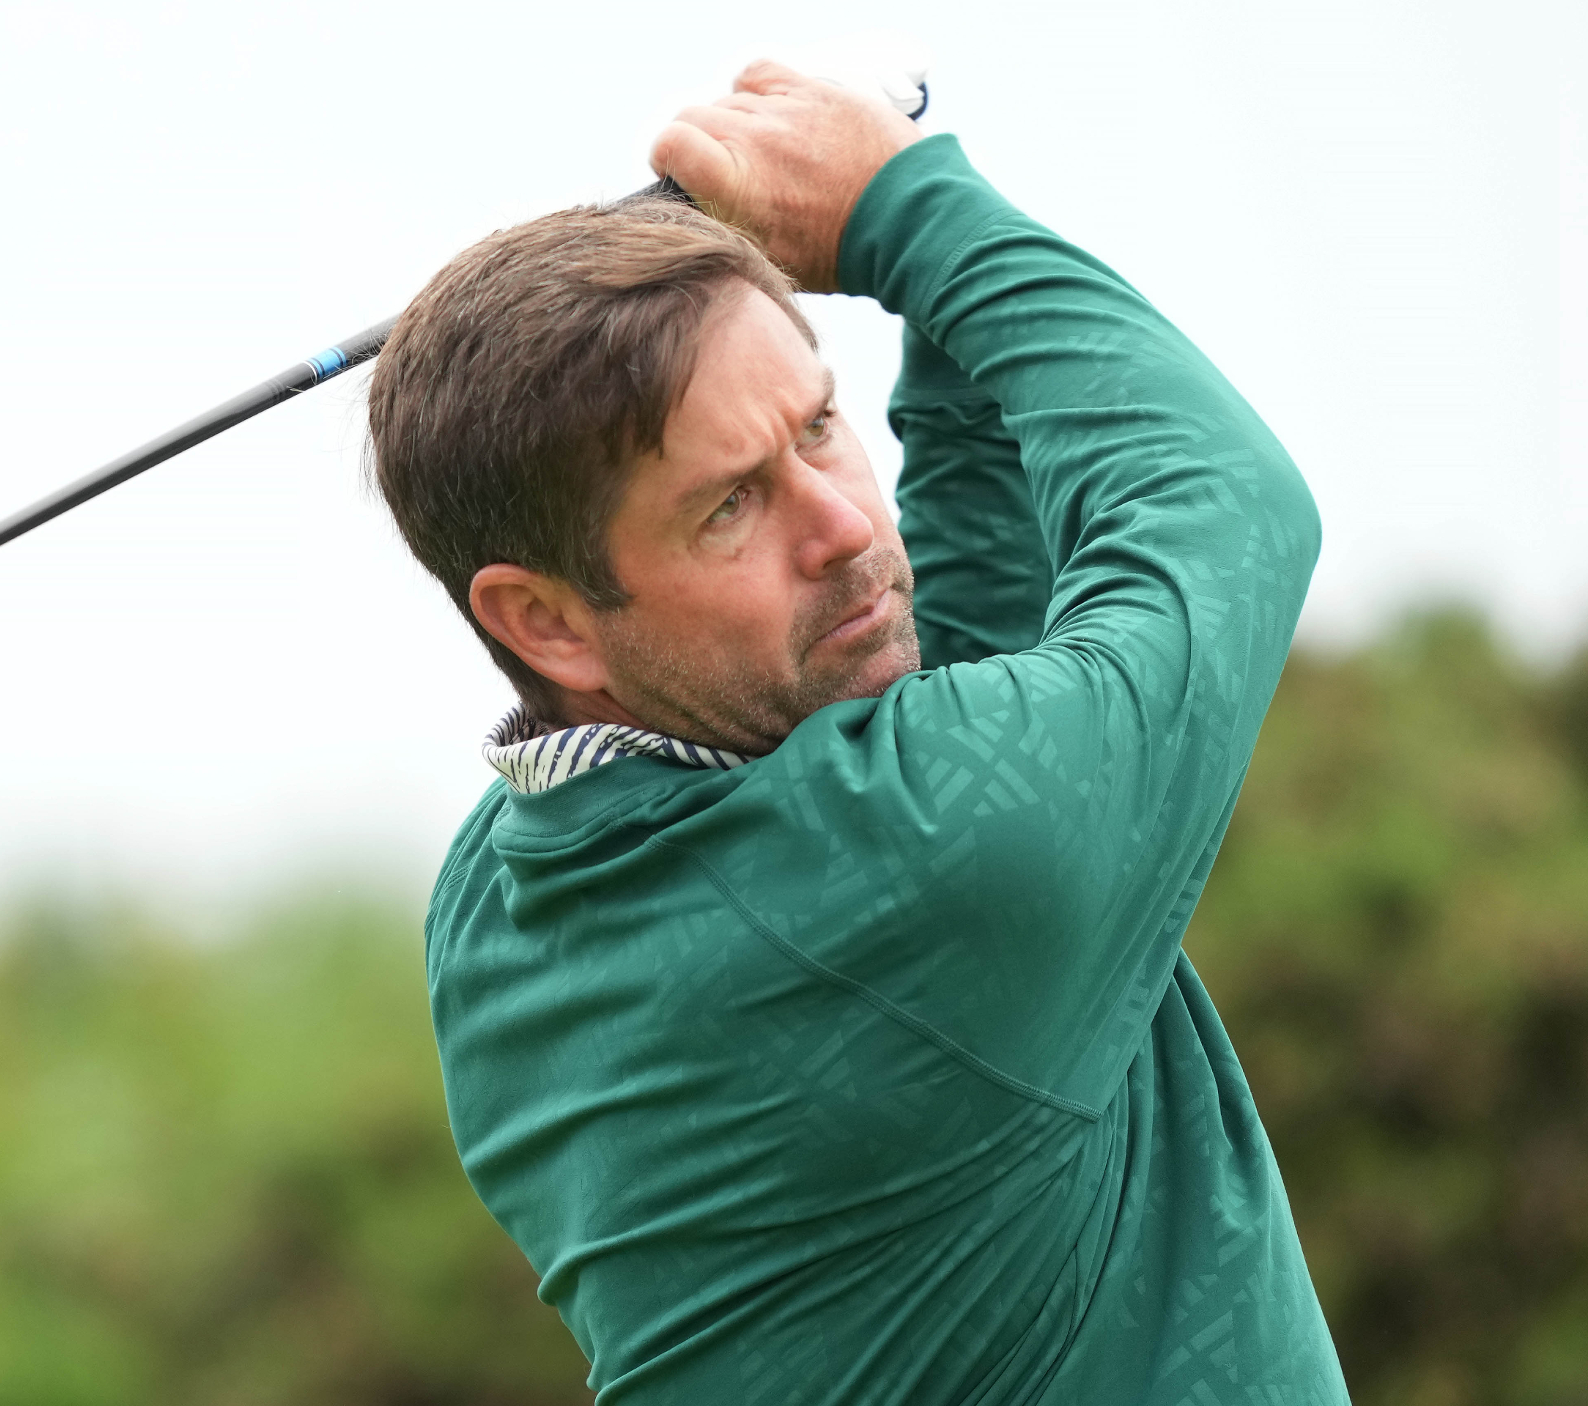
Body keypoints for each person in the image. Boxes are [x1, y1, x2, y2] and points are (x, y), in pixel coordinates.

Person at [364, 59, 1347, 1404]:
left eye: (819, 425)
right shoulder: (926, 862)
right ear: (545, 623)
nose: (838, 526)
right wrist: (905, 207)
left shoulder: (495, 913)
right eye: (729, 508)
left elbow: (976, 657)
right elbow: (1231, 511)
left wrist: (933, 300)